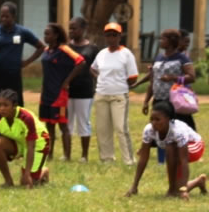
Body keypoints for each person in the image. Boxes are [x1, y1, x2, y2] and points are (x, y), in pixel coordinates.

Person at [126, 101, 206, 200]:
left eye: (157, 119)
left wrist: (184, 190)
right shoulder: (149, 130)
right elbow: (143, 158)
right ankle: (195, 182)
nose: (153, 123)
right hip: (175, 149)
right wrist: (134, 186)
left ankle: (174, 189)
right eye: (151, 119)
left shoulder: (178, 131)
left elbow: (183, 160)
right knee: (170, 148)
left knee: (170, 147)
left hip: (195, 146)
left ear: (168, 119)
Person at [0, 89, 49, 188]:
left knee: (27, 183)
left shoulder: (26, 117)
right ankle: (8, 181)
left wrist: (27, 174)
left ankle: (43, 171)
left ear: (14, 105)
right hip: (19, 141)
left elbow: (31, 147)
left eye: (6, 105)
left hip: (38, 143)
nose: (2, 109)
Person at [90, 22, 138, 164]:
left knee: (121, 128)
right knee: (103, 129)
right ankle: (107, 158)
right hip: (101, 94)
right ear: (105, 37)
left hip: (119, 95)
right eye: (108, 35)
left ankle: (129, 160)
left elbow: (133, 77)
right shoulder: (102, 54)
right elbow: (92, 68)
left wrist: (120, 83)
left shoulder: (126, 54)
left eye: (114, 35)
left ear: (119, 36)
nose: (111, 38)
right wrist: (100, 78)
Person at [39, 23, 85, 161]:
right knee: (49, 125)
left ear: (56, 35)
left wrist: (67, 81)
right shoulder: (46, 50)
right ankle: (49, 154)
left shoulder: (64, 49)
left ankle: (67, 155)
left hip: (59, 94)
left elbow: (81, 62)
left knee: (62, 125)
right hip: (46, 93)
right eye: (44, 34)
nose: (45, 36)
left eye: (48, 34)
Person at [0, 2, 44, 106]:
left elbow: (41, 47)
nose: (3, 19)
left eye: (6, 16)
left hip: (13, 74)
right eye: (2, 16)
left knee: (14, 102)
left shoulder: (22, 32)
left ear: (13, 16)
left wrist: (27, 62)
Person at [143, 29, 196, 130]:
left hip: (175, 101)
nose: (160, 41)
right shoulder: (158, 57)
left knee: (179, 129)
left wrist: (173, 78)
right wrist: (146, 101)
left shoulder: (181, 58)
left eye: (163, 39)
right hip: (158, 100)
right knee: (159, 128)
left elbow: (191, 77)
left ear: (171, 41)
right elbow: (152, 82)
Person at [68, 17, 99, 162]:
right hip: (68, 89)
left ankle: (84, 155)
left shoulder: (92, 48)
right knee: (67, 123)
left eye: (74, 28)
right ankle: (66, 154)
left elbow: (96, 68)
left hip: (84, 90)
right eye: (70, 28)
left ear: (83, 29)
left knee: (83, 122)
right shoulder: (67, 47)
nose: (71, 31)